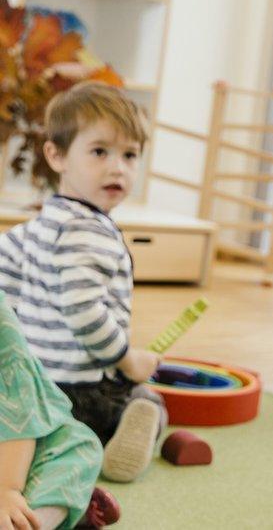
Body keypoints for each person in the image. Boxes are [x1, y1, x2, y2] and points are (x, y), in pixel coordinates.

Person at [0, 82, 166, 484]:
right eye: (99, 152)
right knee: (151, 399)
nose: (118, 168)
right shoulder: (88, 232)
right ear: (56, 155)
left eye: (130, 155)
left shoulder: (35, 227)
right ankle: (119, 432)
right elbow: (84, 311)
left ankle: (37, 440)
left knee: (34, 425)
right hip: (84, 389)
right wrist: (128, 359)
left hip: (33, 387)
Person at [0, 293, 120, 529]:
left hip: (18, 444)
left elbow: (21, 410)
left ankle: (36, 519)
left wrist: (7, 490)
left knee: (79, 447)